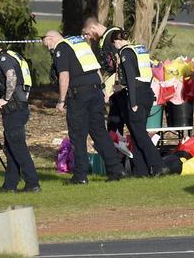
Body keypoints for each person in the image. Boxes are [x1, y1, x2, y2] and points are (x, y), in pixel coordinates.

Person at [42, 30, 127, 184]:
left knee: (77, 135)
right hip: (95, 92)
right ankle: (116, 169)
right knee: (99, 132)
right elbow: (96, 69)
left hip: (78, 96)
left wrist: (61, 100)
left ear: (51, 38)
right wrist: (102, 90)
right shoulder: (80, 45)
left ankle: (80, 175)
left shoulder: (62, 47)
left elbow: (64, 76)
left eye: (45, 42)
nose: (47, 47)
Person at [0, 42, 40, 193]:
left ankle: (32, 183)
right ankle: (9, 185)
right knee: (11, 147)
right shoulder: (11, 56)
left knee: (18, 147)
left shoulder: (4, 59)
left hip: (14, 109)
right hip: (17, 108)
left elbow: (11, 76)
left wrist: (5, 98)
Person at [111, 31, 168, 177]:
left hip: (136, 95)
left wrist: (133, 102)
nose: (115, 47)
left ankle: (158, 165)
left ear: (117, 42)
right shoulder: (139, 49)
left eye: (114, 44)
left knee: (140, 135)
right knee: (137, 134)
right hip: (146, 93)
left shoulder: (125, 52)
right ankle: (141, 171)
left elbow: (130, 77)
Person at [82, 17, 126, 135]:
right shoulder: (105, 37)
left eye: (88, 33)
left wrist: (115, 84)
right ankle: (116, 146)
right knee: (114, 118)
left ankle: (117, 146)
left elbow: (120, 62)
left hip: (119, 85)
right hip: (114, 83)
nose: (89, 37)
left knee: (117, 119)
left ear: (93, 27)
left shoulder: (112, 36)